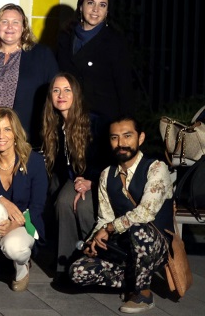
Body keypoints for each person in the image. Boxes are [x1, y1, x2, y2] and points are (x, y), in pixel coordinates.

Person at [69, 116, 173, 313]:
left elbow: (145, 213)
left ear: (140, 138)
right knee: (77, 271)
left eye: (127, 136)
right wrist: (94, 240)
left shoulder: (156, 168)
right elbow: (105, 217)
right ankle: (135, 279)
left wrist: (110, 228)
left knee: (139, 230)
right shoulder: (106, 174)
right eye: (114, 138)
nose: (121, 143)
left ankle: (143, 294)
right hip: (123, 249)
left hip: (155, 246)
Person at [0, 107, 47, 297]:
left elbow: (38, 205)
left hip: (23, 222)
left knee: (14, 248)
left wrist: (13, 224)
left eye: (7, 129)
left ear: (15, 133)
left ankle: (22, 269)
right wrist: (0, 200)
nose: (1, 135)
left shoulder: (34, 161)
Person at [40, 73, 101, 277]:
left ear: (76, 94)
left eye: (67, 90)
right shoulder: (54, 124)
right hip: (74, 178)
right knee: (64, 202)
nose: (61, 95)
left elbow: (107, 161)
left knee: (83, 206)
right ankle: (66, 266)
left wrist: (91, 182)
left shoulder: (93, 122)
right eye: (56, 90)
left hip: (98, 178)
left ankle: (96, 262)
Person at [0, 4, 58, 144]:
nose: (10, 27)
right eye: (4, 22)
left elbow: (54, 96)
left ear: (24, 27)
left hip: (24, 139)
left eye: (15, 22)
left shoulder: (42, 56)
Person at [56, 0, 135, 124]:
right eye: (91, 3)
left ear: (107, 12)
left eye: (102, 5)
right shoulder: (65, 37)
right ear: (81, 7)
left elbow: (124, 87)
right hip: (68, 116)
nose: (95, 9)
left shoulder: (115, 42)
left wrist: (126, 121)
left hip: (102, 120)